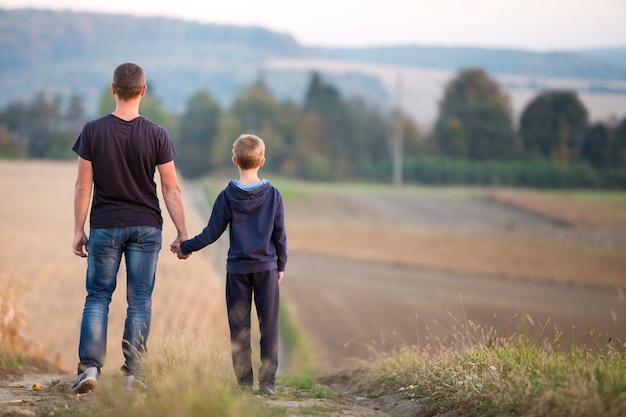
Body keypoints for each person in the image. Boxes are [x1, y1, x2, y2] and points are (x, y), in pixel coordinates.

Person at [71, 63, 189, 394]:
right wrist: (182, 234)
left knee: (97, 297)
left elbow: (83, 187)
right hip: (146, 227)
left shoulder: (92, 131)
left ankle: (89, 369)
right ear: (143, 91)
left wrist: (78, 230)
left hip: (105, 226)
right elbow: (171, 189)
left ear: (113, 89)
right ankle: (134, 375)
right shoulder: (157, 134)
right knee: (140, 300)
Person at [171, 134, 287, 395]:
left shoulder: (226, 196)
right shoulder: (273, 195)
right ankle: (267, 383)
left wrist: (185, 247)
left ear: (235, 160)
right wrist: (281, 264)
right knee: (269, 325)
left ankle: (244, 384)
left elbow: (211, 233)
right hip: (266, 268)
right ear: (262, 161)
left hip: (237, 271)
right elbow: (280, 233)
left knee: (239, 328)